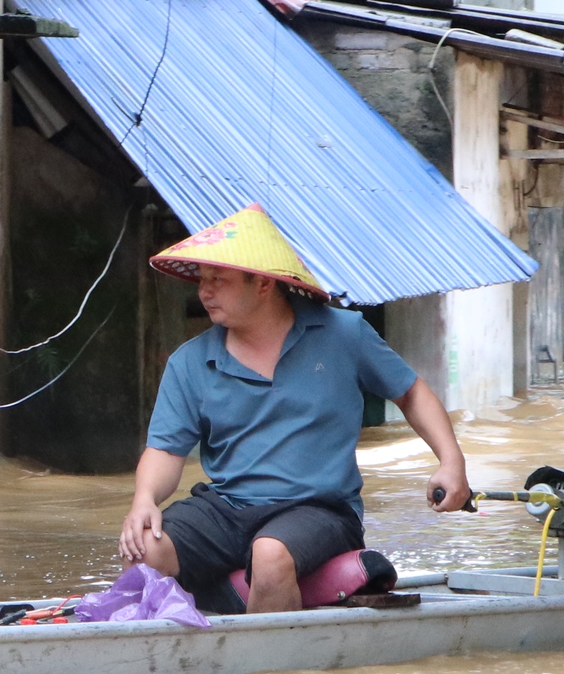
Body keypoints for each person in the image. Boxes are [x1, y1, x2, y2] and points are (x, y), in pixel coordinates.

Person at [119, 206, 471, 616]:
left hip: (321, 510)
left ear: (263, 284)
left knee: (269, 555)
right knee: (143, 547)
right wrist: (144, 498)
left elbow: (411, 393)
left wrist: (452, 461)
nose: (204, 291)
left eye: (219, 280)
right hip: (228, 506)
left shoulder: (345, 334)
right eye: (202, 279)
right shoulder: (190, 362)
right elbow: (165, 450)